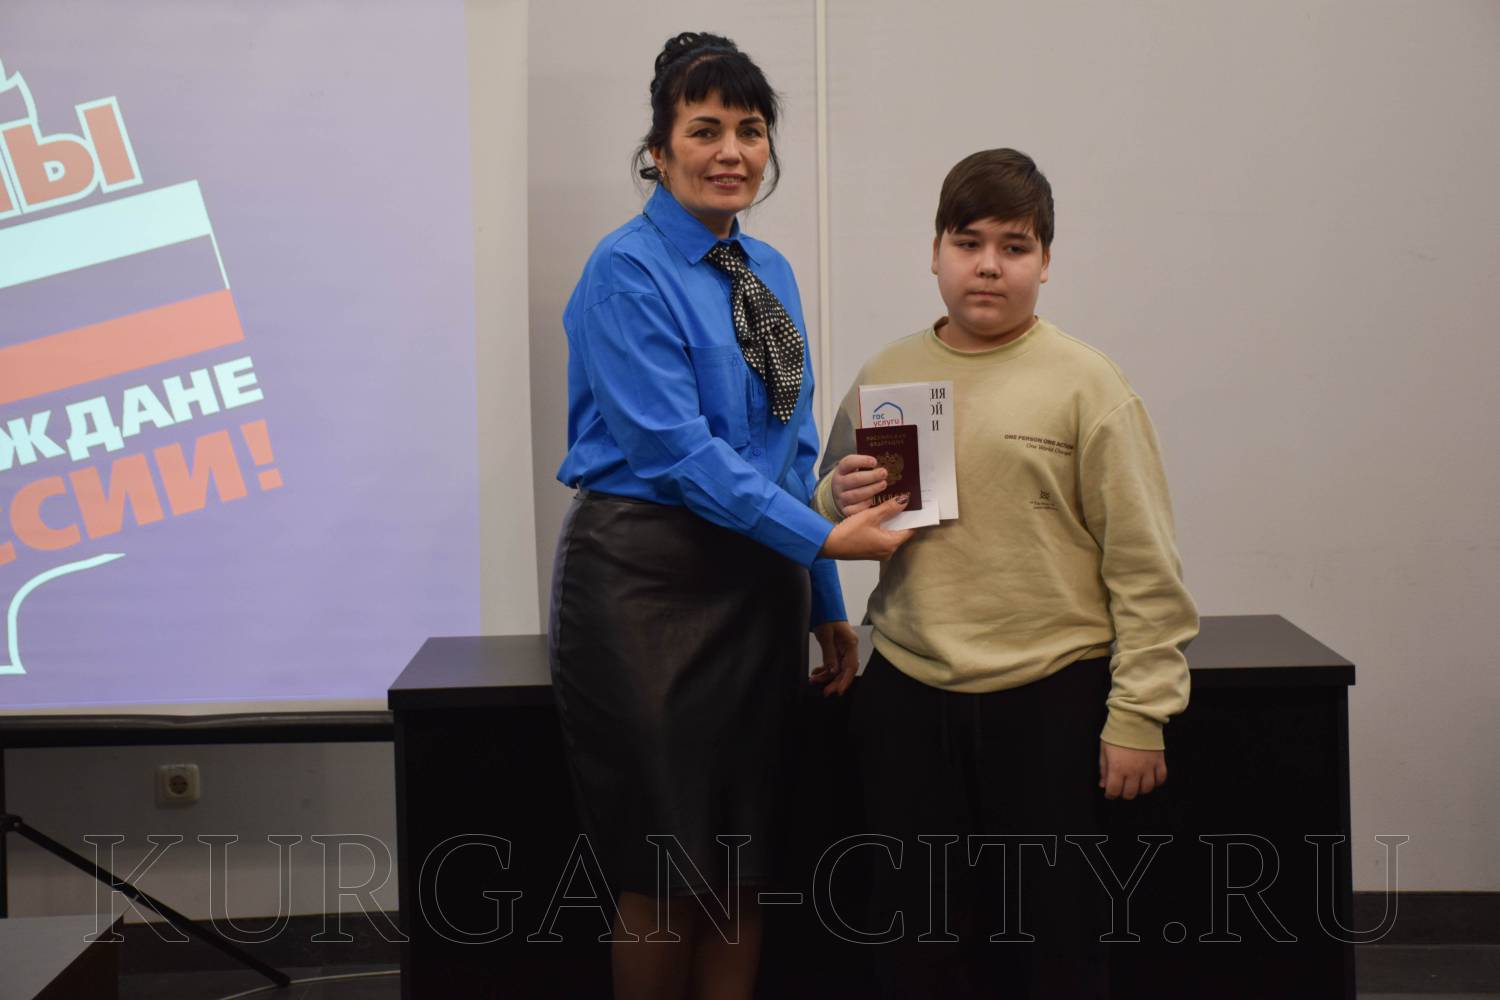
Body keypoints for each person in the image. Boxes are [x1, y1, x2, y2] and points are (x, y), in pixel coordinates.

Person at [548, 31, 910, 1000]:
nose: (732, 152)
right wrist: (823, 538)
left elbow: (793, 452)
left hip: (758, 587)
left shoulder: (770, 271)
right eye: (704, 130)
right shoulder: (626, 271)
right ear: (658, 151)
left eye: (750, 130)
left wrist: (823, 598)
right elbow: (680, 454)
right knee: (662, 871)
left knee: (745, 866)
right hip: (643, 591)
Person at [814, 149, 1200, 999]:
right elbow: (826, 505)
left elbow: (1145, 568)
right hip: (909, 694)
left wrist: (1141, 713)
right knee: (915, 939)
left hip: (1052, 697)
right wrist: (834, 493)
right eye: (968, 242)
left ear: (1045, 262)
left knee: (1056, 941)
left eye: (1014, 246)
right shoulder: (887, 375)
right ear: (935, 253)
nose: (988, 265)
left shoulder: (1089, 386)